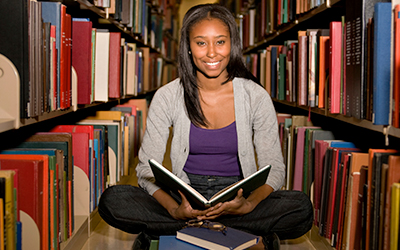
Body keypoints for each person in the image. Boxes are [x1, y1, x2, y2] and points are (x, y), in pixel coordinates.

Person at [98, 3, 313, 249]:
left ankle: (192, 228)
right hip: (184, 194)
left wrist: (248, 205)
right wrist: (175, 209)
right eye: (201, 43)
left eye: (220, 42)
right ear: (188, 47)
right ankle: (223, 229)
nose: (212, 53)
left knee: (300, 207)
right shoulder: (168, 96)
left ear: (232, 43)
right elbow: (146, 170)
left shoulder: (256, 96)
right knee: (113, 200)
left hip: (236, 196)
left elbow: (275, 169)